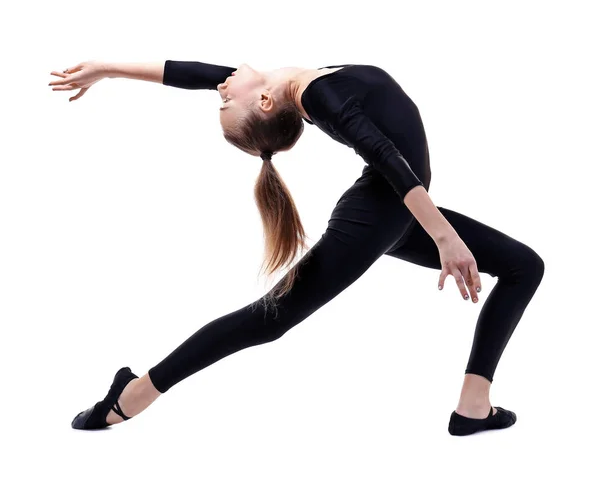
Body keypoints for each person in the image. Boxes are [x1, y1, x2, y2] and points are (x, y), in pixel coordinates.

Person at [49, 59, 544, 436]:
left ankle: (473, 407)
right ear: (263, 104)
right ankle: (133, 396)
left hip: (391, 212)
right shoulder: (321, 95)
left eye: (220, 98)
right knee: (270, 318)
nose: (219, 89)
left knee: (524, 266)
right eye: (224, 102)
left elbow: (198, 72)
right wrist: (445, 237)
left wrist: (108, 69)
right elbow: (387, 157)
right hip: (382, 210)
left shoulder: (294, 87)